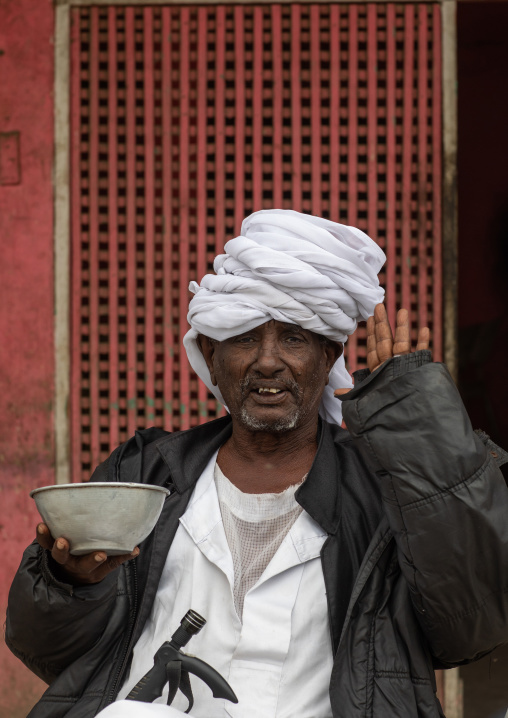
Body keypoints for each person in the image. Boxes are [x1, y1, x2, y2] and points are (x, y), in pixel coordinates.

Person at [6, 210, 508, 718]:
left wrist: (418, 431)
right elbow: (54, 656)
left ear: (329, 353)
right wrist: (71, 583)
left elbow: (469, 629)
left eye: (293, 338)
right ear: (210, 352)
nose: (268, 360)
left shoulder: (382, 491)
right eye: (245, 338)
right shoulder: (144, 473)